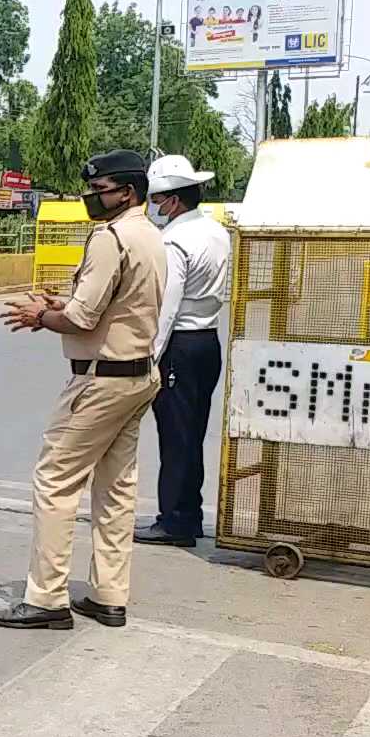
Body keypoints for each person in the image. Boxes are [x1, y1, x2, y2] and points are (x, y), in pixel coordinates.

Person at [0, 149, 167, 631]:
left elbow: (84, 317)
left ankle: (46, 598)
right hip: (139, 374)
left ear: (127, 192)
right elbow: (115, 306)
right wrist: (63, 304)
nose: (92, 198)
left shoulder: (110, 237)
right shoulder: (150, 236)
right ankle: (109, 594)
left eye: (100, 190)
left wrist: (41, 316)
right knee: (116, 488)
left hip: (100, 380)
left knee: (55, 481)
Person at [137, 155, 230, 548]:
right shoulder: (217, 231)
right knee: (192, 434)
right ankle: (188, 513)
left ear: (173, 201)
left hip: (180, 343)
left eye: (157, 201)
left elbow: (167, 305)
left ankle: (173, 520)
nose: (154, 209)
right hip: (207, 341)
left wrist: (150, 358)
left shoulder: (175, 239)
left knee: (175, 436)